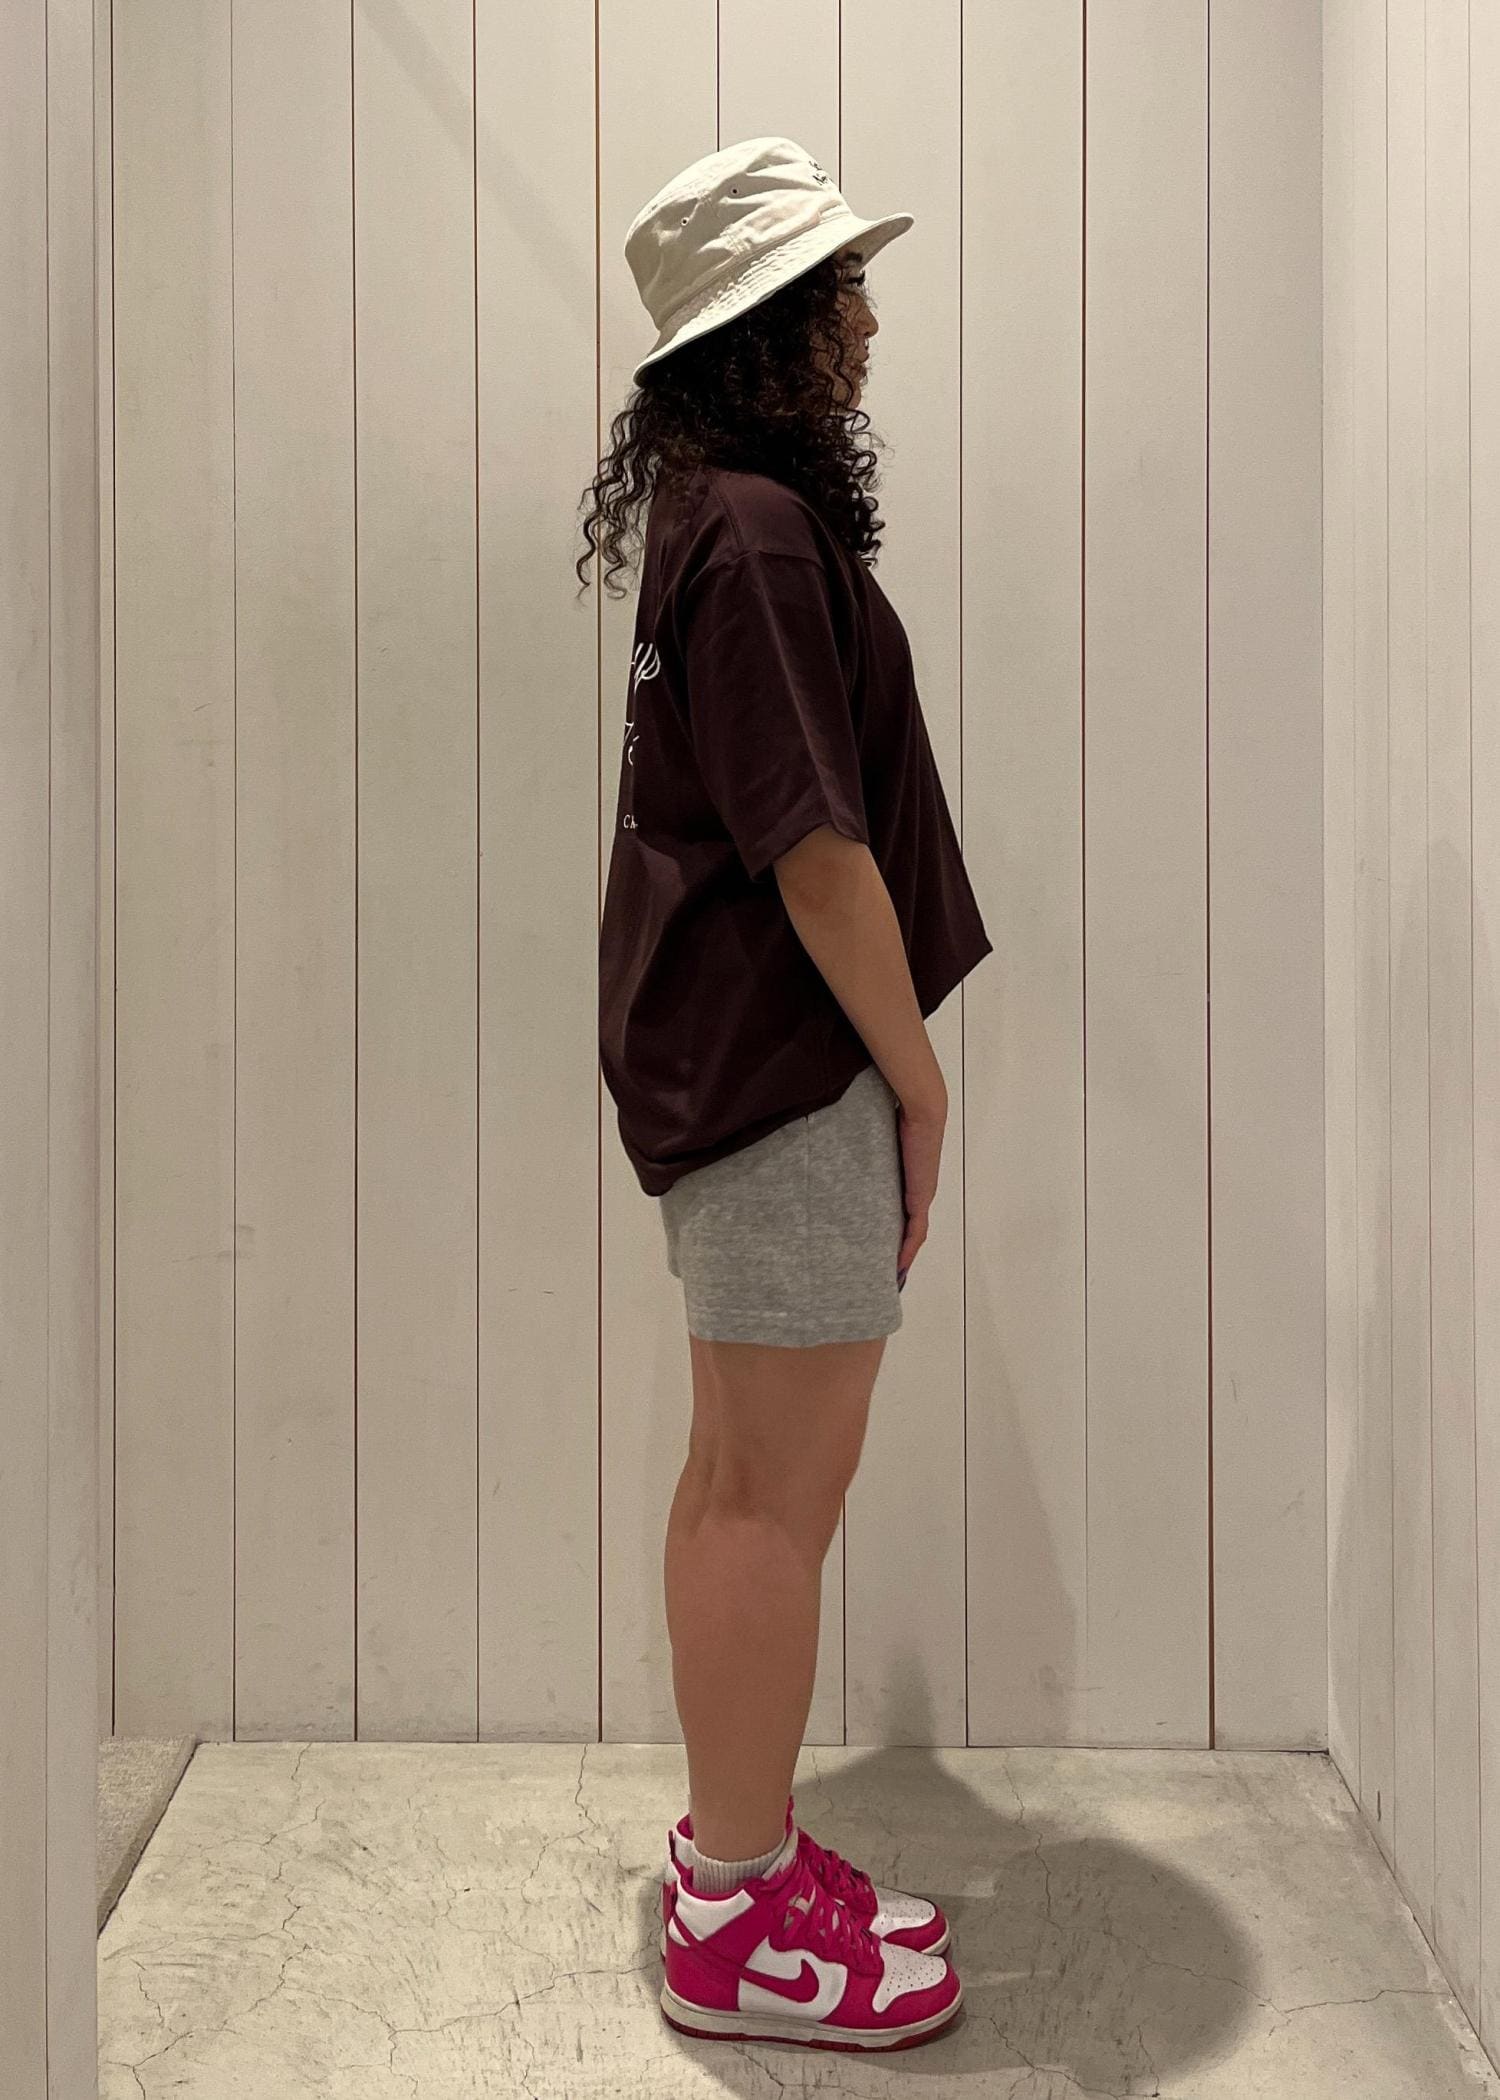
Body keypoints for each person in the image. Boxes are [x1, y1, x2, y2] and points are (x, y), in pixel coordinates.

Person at [578, 136, 993, 2053]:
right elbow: (817, 854)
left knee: (740, 1479)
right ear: (770, 328)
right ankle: (738, 1922)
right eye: (841, 294)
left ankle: (730, 1860)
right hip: (786, 1068)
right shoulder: (750, 535)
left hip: (747, 1066)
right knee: (772, 1496)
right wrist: (918, 1081)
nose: (868, 324)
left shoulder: (720, 517)